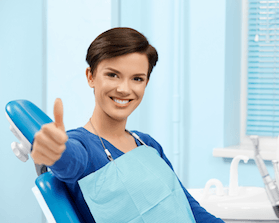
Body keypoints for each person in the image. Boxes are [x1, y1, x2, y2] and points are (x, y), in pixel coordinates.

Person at [31, 27, 224, 223]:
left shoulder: (147, 144)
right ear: (91, 76)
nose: (124, 89)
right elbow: (69, 161)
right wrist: (56, 151)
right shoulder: (82, 146)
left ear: (146, 83)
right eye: (113, 75)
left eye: (137, 79)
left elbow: (189, 208)